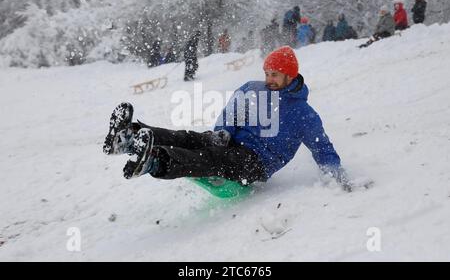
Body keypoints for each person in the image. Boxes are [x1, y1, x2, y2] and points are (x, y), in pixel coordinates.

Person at [102, 46, 353, 191]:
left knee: (211, 158)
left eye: (275, 74)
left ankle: (155, 161)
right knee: (190, 138)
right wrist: (222, 131)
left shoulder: (304, 115)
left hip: (257, 162)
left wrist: (337, 176)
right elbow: (233, 112)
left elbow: (322, 147)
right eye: (267, 73)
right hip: (232, 141)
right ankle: (129, 137)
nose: (268, 79)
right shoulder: (254, 89)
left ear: (290, 75)